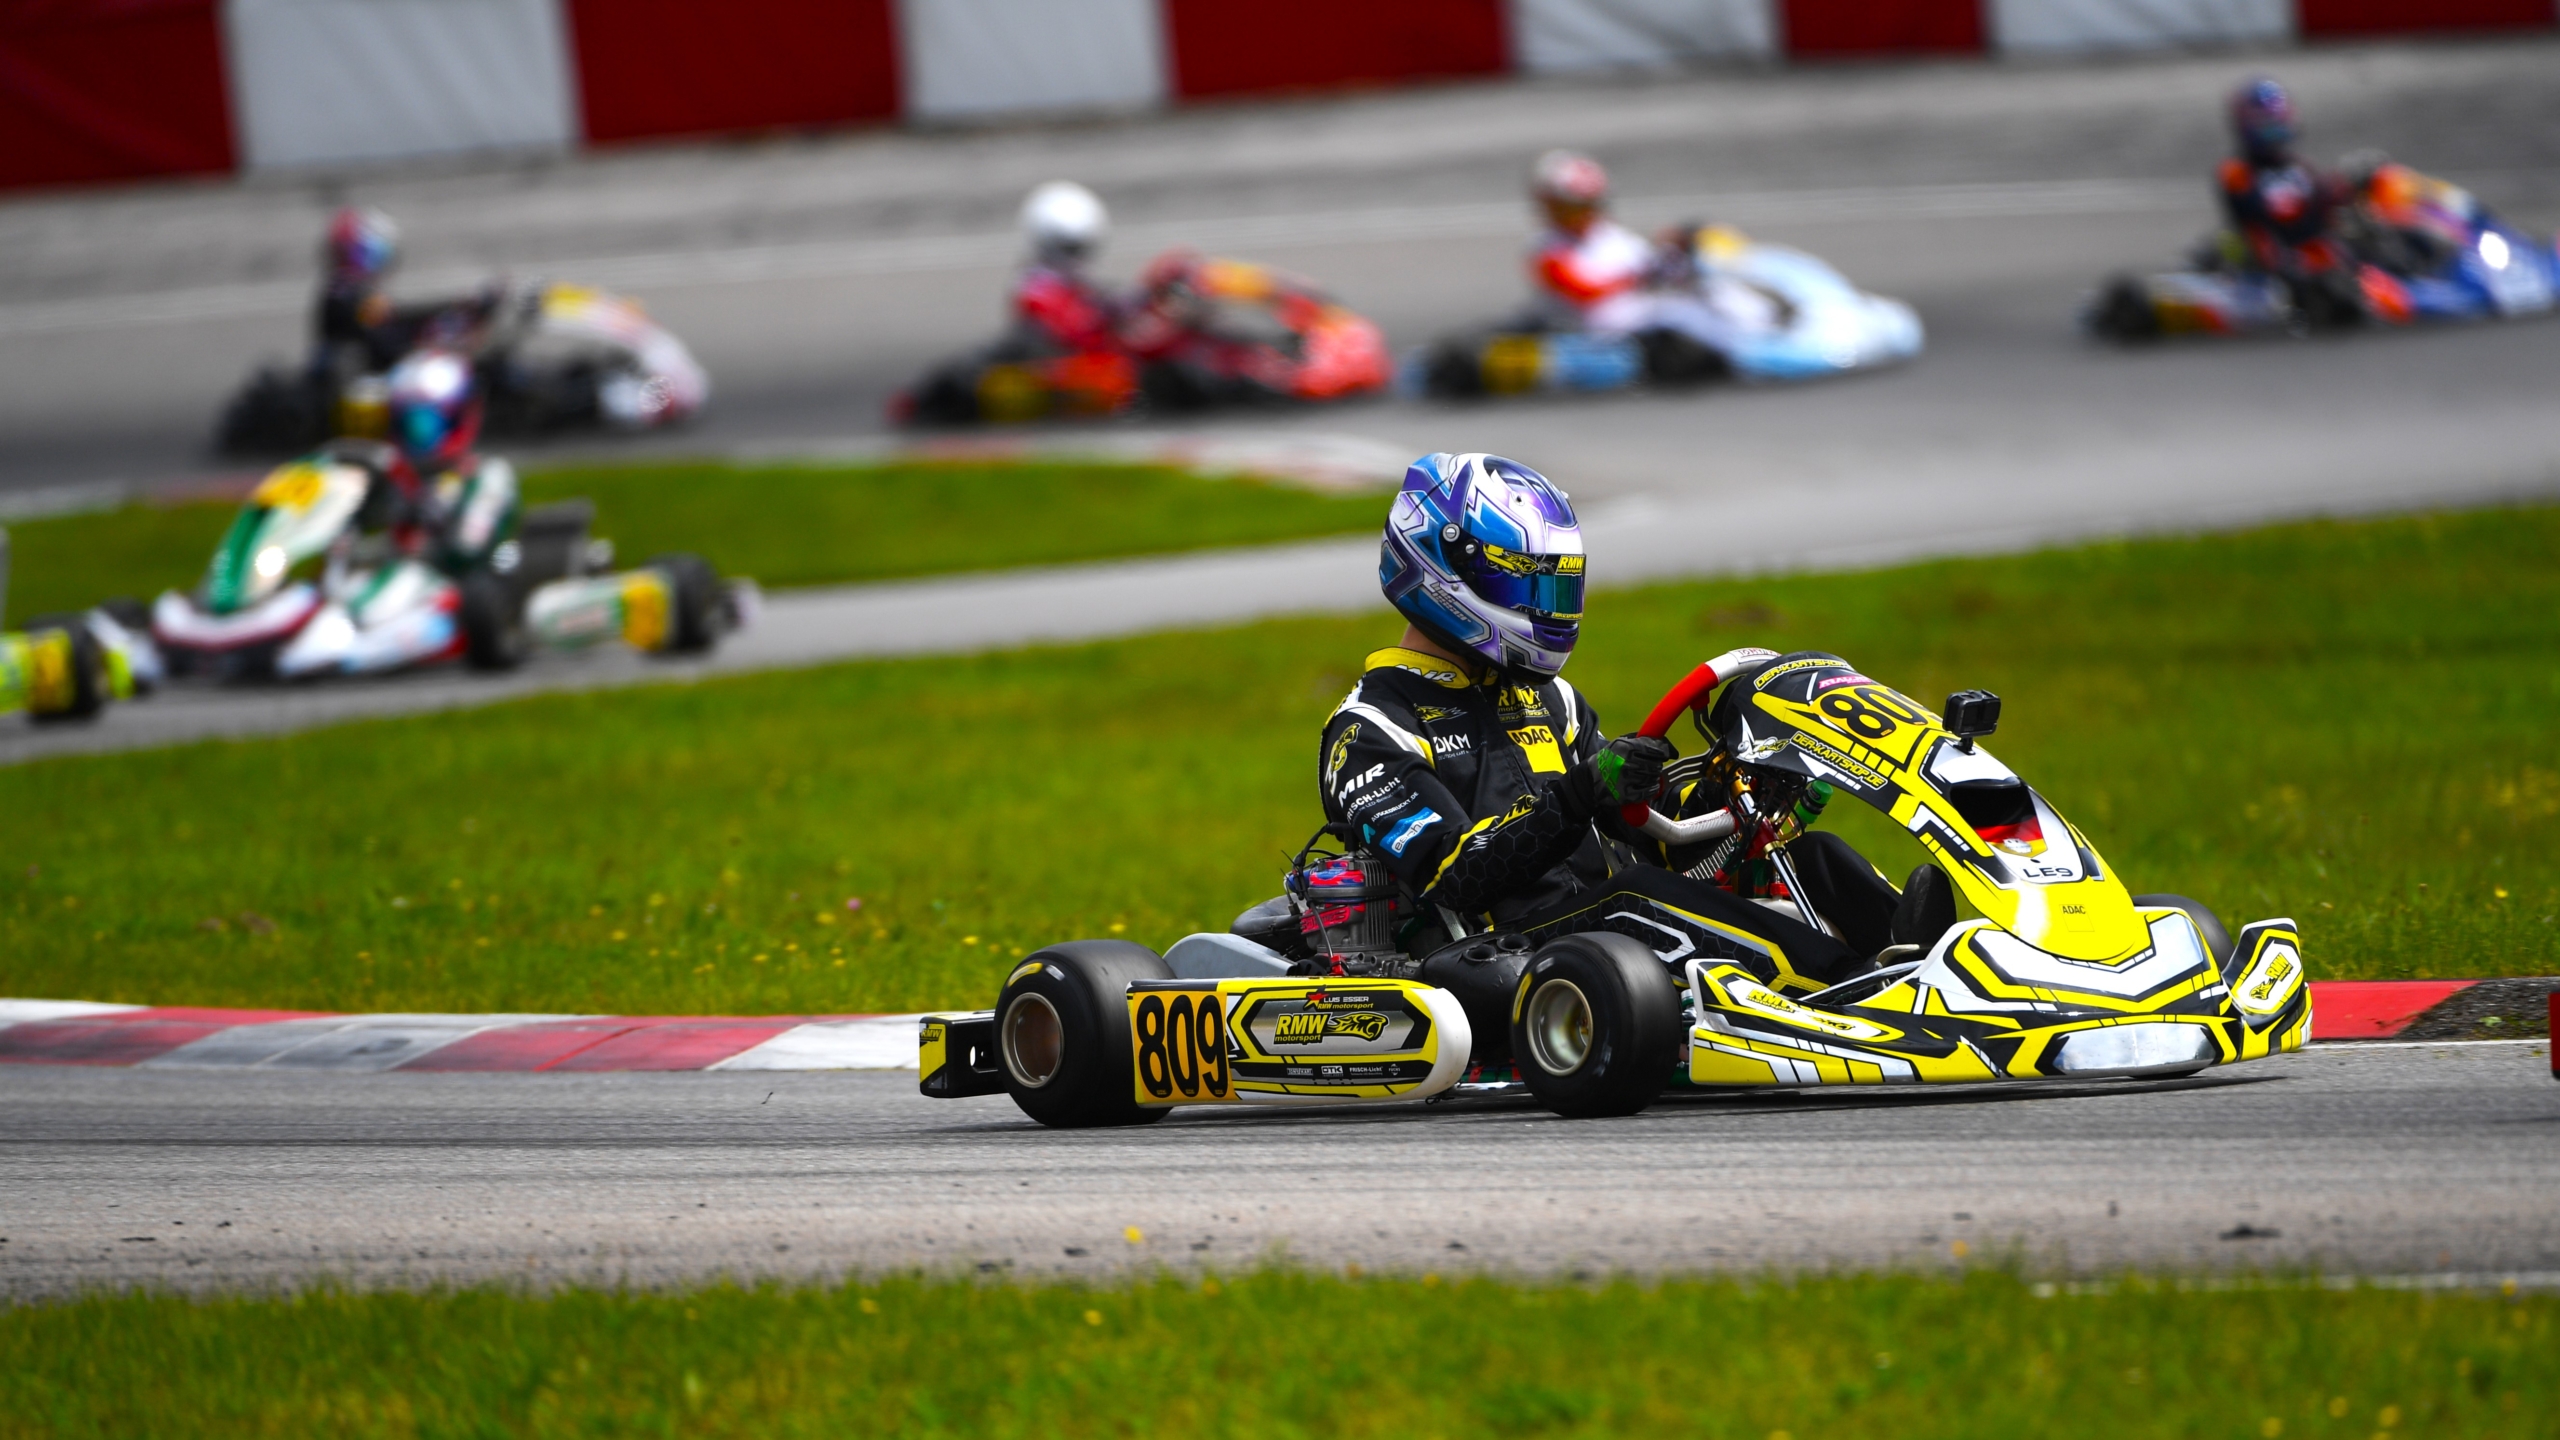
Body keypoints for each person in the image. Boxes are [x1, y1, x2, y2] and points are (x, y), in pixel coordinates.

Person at [1317, 452, 1899, 994]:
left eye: (1555, 585)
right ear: (1442, 566)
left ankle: (1923, 957)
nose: (1544, 606)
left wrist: (1737, 795)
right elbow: (1455, 876)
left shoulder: (1550, 701)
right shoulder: (1371, 728)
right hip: (1500, 956)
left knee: (1815, 856)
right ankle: (1857, 988)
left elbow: (1659, 836)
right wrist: (1578, 795)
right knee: (1637, 893)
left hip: (1607, 929)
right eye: (1525, 583)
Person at [2215, 78, 2359, 318]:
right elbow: (2253, 213)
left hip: (2309, 246)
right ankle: (2310, 293)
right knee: (2246, 243)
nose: (2275, 130)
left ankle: (2374, 273)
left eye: (2279, 121)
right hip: (2268, 253)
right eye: (2266, 124)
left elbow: (2321, 202)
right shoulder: (2236, 171)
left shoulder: (2299, 167)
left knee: (2352, 234)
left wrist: (2341, 192)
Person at [1009, 181, 1122, 355]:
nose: (1077, 257)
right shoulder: (1037, 291)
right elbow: (1078, 332)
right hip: (1067, 362)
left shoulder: (1080, 285)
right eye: (1072, 249)